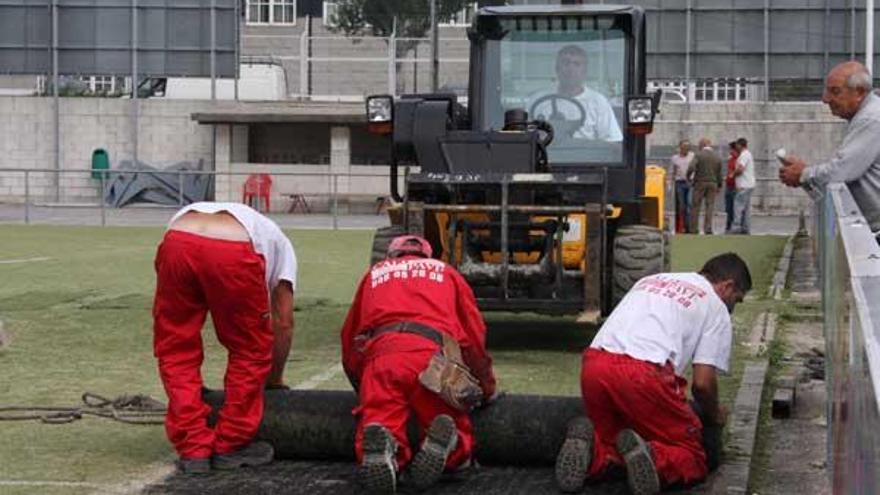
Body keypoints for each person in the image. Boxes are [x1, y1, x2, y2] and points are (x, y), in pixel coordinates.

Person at [555, 253, 751, 495]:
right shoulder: (715, 305)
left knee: (613, 438)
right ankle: (654, 457)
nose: (733, 307)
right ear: (727, 286)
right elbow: (702, 384)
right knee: (692, 455)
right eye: (736, 299)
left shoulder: (652, 280)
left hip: (595, 364)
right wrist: (715, 414)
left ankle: (594, 452)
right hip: (644, 373)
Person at [340, 235, 497, 494]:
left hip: (383, 355)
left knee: (380, 417)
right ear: (428, 255)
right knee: (445, 417)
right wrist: (486, 385)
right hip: (432, 358)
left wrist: (361, 382)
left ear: (391, 255)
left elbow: (350, 337)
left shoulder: (375, 274)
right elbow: (473, 336)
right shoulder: (447, 273)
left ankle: (388, 450)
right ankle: (450, 450)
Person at [152, 202, 297, 474]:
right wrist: (274, 379)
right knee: (249, 349)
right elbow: (284, 322)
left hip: (177, 238)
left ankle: (193, 448)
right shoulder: (282, 245)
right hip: (233, 248)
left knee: (175, 347)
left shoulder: (246, 221)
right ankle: (231, 444)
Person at [779, 61, 880, 233]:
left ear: (859, 93)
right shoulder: (866, 116)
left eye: (835, 91)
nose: (825, 99)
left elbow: (841, 171)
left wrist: (804, 174)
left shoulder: (870, 119)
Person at [528, 44, 623, 142]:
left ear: (585, 71)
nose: (571, 69)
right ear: (557, 69)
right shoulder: (537, 100)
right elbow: (524, 138)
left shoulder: (598, 102)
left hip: (587, 156)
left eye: (577, 64)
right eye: (566, 63)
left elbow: (613, 141)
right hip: (546, 155)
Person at [687, 138, 723, 235]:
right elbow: (719, 173)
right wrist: (719, 185)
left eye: (699, 144)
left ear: (702, 145)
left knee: (696, 206)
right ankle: (708, 228)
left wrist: (688, 177)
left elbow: (691, 167)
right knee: (709, 206)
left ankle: (694, 229)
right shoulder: (717, 156)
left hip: (700, 183)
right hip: (713, 183)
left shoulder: (698, 155)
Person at [730, 138, 756, 234]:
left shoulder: (744, 155)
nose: (736, 147)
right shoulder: (748, 154)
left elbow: (740, 169)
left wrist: (733, 174)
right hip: (749, 184)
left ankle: (736, 227)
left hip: (743, 184)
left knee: (738, 206)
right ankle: (745, 228)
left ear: (740, 145)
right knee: (746, 208)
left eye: (737, 145)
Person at [670, 140, 695, 233]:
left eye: (687, 147)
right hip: (679, 182)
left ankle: (688, 227)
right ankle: (680, 226)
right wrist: (670, 184)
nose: (686, 149)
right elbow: (672, 171)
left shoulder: (692, 156)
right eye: (684, 147)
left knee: (689, 204)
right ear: (680, 147)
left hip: (690, 182)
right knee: (681, 205)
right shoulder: (675, 158)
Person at [724, 142, 739, 233]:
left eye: (731, 149)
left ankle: (734, 226)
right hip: (729, 185)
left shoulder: (739, 159)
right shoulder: (730, 159)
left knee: (735, 208)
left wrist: (732, 175)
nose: (730, 151)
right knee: (728, 208)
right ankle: (728, 225)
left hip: (735, 186)